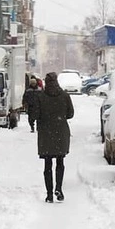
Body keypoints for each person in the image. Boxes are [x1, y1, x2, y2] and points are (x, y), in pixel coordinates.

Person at [30, 72, 75, 203]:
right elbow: (70, 114)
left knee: (47, 164)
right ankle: (59, 188)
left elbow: (35, 115)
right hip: (61, 131)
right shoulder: (65, 96)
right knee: (60, 162)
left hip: (45, 133)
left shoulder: (41, 97)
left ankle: (49, 194)